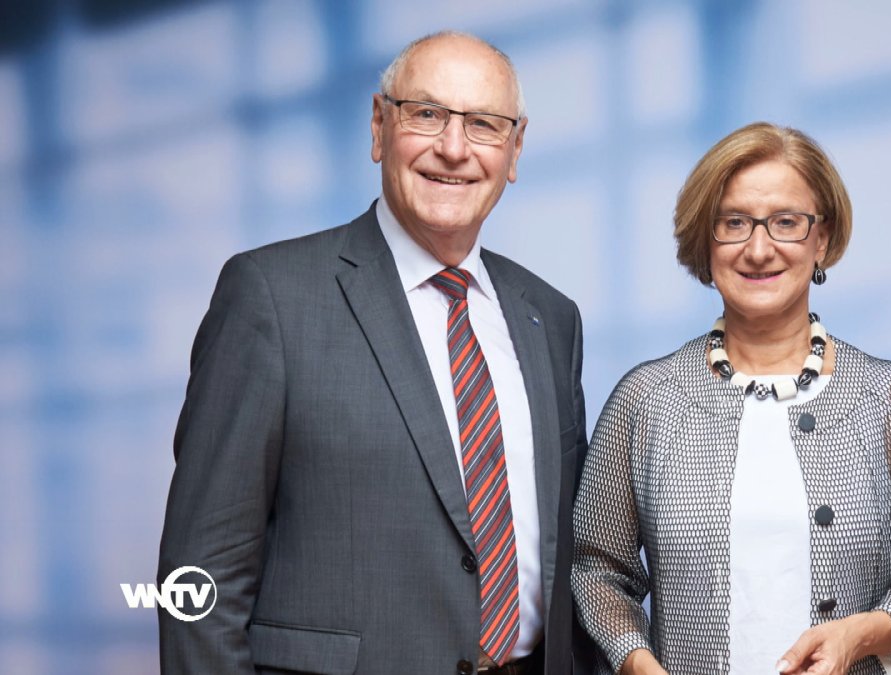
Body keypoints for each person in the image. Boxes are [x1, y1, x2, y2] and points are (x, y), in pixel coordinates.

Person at [159, 31, 588, 675]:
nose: (454, 148)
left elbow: (570, 554)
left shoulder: (550, 318)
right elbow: (199, 576)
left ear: (515, 148)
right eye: (427, 114)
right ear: (379, 127)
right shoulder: (271, 297)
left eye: (483, 124)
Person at [572, 122, 891, 675]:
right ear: (706, 240)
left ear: (822, 240)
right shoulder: (646, 401)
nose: (758, 249)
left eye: (786, 223)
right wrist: (638, 664)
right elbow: (596, 571)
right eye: (734, 223)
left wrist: (863, 633)